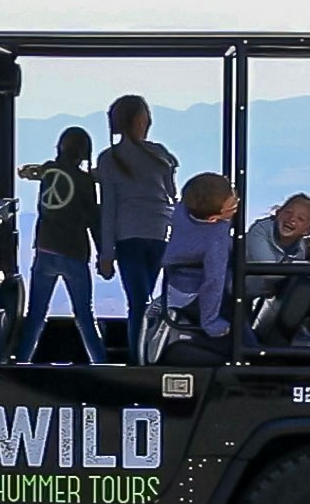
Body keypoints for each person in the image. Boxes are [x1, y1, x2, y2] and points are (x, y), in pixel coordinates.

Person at [95, 94, 179, 361]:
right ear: (141, 120)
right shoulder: (161, 155)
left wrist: (106, 254)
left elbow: (108, 209)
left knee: (138, 303)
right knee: (146, 302)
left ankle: (137, 358)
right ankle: (146, 355)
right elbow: (172, 194)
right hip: (159, 233)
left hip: (128, 237)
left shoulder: (109, 158)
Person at [14, 127, 106, 364]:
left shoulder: (49, 171)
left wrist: (25, 172)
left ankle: (21, 362)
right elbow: (94, 220)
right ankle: (101, 364)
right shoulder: (85, 181)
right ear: (84, 153)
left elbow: (32, 171)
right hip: (73, 252)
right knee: (84, 316)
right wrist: (104, 255)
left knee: (36, 315)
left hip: (44, 251)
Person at [160, 172, 241, 340]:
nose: (237, 202)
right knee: (239, 326)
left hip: (175, 282)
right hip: (193, 293)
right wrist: (211, 322)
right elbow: (213, 281)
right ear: (213, 219)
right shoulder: (216, 239)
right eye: (232, 208)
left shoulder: (181, 210)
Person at [245, 192, 310, 296]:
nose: (292, 219)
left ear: (307, 231)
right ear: (278, 212)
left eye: (300, 219)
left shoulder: (300, 248)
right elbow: (269, 271)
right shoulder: (259, 230)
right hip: (229, 289)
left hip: (255, 294)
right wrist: (309, 265)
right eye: (288, 212)